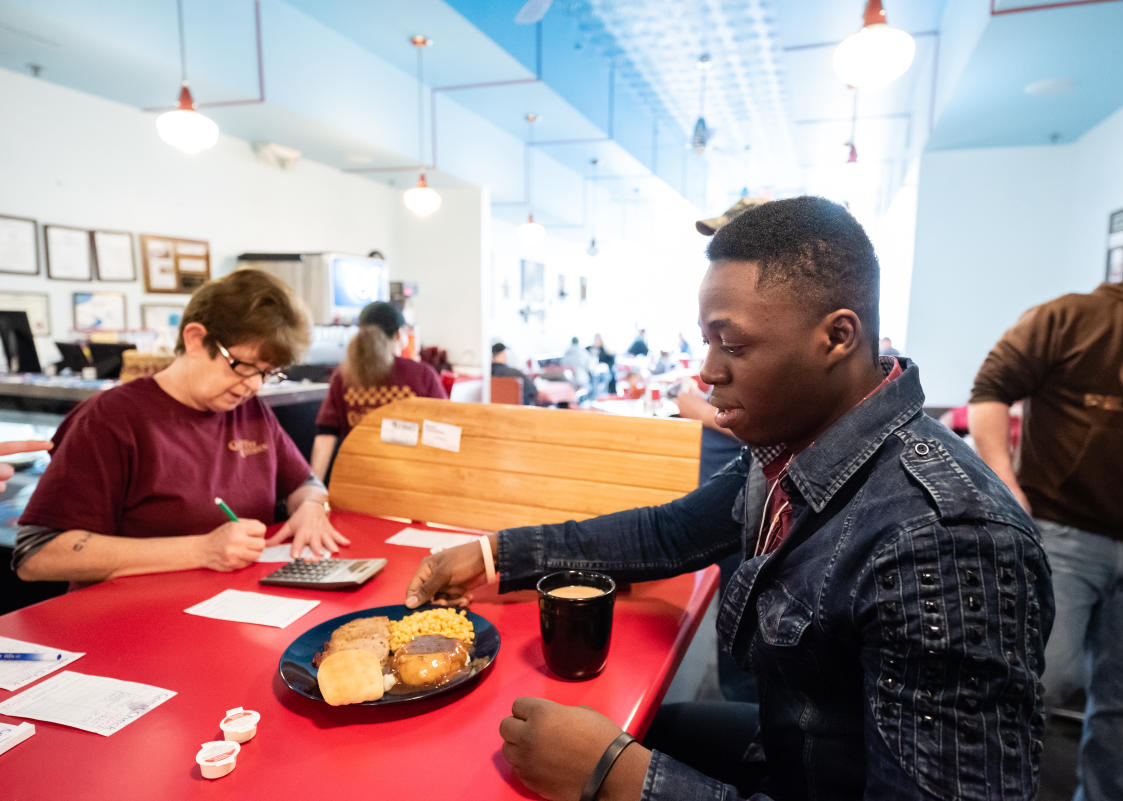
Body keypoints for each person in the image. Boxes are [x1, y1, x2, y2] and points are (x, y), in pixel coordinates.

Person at [405, 196, 1053, 801]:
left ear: (837, 337)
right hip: (787, 747)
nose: (708, 371)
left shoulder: (945, 539)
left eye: (733, 344)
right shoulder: (793, 451)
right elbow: (664, 534)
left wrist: (617, 775)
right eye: (707, 341)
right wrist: (492, 554)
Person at [969, 188, 1123, 801]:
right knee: (1027, 688)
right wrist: (1002, 486)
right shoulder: (1070, 316)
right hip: (1059, 538)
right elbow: (990, 391)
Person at [13, 269, 344, 585]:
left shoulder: (250, 410)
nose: (255, 385)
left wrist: (313, 506)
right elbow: (38, 554)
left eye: (268, 372)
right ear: (196, 339)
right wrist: (201, 550)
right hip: (133, 620)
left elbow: (305, 482)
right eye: (244, 366)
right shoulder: (111, 418)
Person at [310, 301, 446, 482]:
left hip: (357, 478)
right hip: (412, 478)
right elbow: (444, 428)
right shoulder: (422, 374)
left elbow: (326, 433)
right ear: (399, 334)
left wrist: (314, 486)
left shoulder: (343, 376)